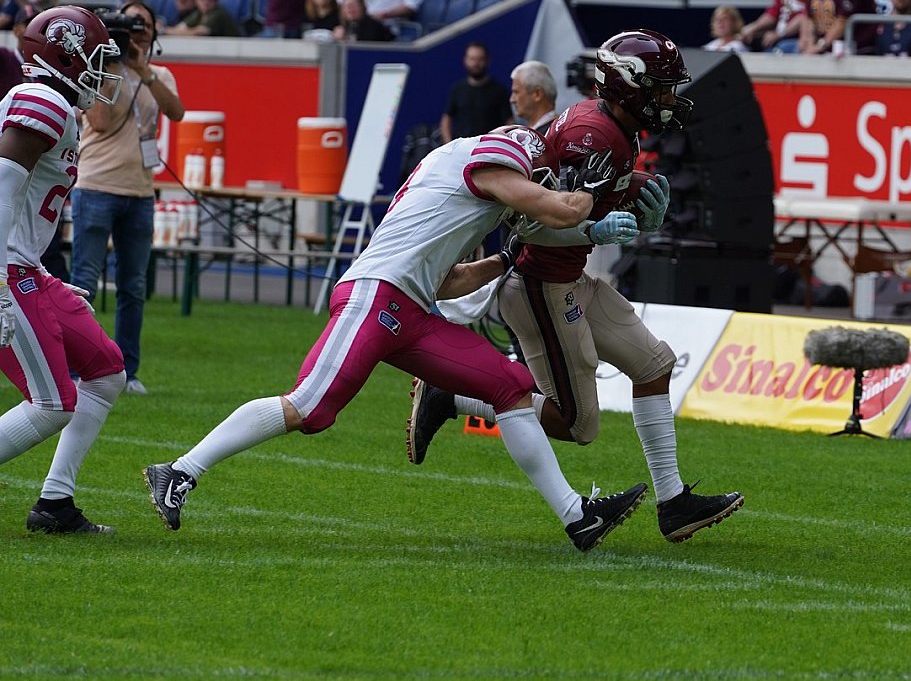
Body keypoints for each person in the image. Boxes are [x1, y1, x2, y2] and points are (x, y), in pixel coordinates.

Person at [143, 126, 652, 551]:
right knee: (310, 408)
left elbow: (448, 282)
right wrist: (589, 197)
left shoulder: (458, 171)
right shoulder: (495, 161)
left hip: (411, 309)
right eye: (536, 182)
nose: (533, 192)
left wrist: (504, 257)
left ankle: (577, 517)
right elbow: (561, 211)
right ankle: (179, 470)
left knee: (510, 384)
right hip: (377, 296)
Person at [405, 31, 745, 544]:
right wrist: (596, 230)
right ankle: (450, 395)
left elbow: (593, 199)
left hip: (569, 276)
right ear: (629, 87)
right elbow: (531, 223)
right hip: (539, 285)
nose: (669, 99)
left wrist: (635, 202)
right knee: (576, 424)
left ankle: (674, 503)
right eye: (660, 88)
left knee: (654, 365)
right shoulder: (596, 134)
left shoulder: (615, 127)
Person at [0, 6, 129, 534]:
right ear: (66, 54)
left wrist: (40, 276)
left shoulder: (55, 106)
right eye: (95, 59)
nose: (102, 73)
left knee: (107, 370)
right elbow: (2, 187)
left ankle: (55, 504)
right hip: (8, 268)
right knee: (53, 402)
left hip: (23, 265)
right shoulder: (44, 100)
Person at [69, 1, 182, 397]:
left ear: (154, 32)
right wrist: (114, 64)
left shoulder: (159, 74)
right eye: (131, 24)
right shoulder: (99, 72)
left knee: (133, 286)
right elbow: (100, 123)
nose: (138, 30)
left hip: (139, 192)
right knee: (85, 282)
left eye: (145, 24)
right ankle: (79, 370)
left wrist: (141, 69)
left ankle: (127, 371)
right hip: (96, 186)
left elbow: (177, 112)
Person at [441, 42, 511, 142]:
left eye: (480, 59)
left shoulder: (499, 91)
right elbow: (447, 118)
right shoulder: (458, 89)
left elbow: (509, 121)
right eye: (472, 59)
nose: (476, 64)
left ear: (487, 61)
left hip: (490, 147)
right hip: (462, 147)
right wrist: (448, 144)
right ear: (465, 61)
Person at [166, 0, 240, 38]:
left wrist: (164, 30)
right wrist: (166, 30)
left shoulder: (218, 13)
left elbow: (199, 32)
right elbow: (180, 28)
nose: (206, 2)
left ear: (217, 0)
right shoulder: (198, 13)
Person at [509, 60, 558, 133]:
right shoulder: (558, 130)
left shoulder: (553, 135)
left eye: (516, 92)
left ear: (537, 94)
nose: (512, 100)